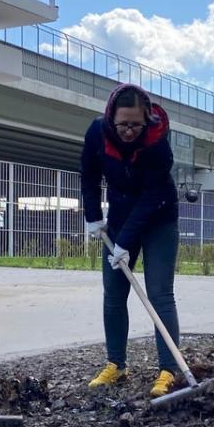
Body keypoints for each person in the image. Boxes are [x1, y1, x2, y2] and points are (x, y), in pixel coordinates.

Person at [80, 84, 182, 398]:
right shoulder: (98, 132)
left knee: (159, 294)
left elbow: (152, 195)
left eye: (135, 124)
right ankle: (116, 364)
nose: (128, 131)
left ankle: (169, 369)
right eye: (123, 124)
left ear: (146, 120)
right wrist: (94, 217)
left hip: (159, 219)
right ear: (111, 117)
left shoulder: (157, 144)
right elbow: (88, 174)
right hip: (120, 216)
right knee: (113, 293)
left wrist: (124, 241)